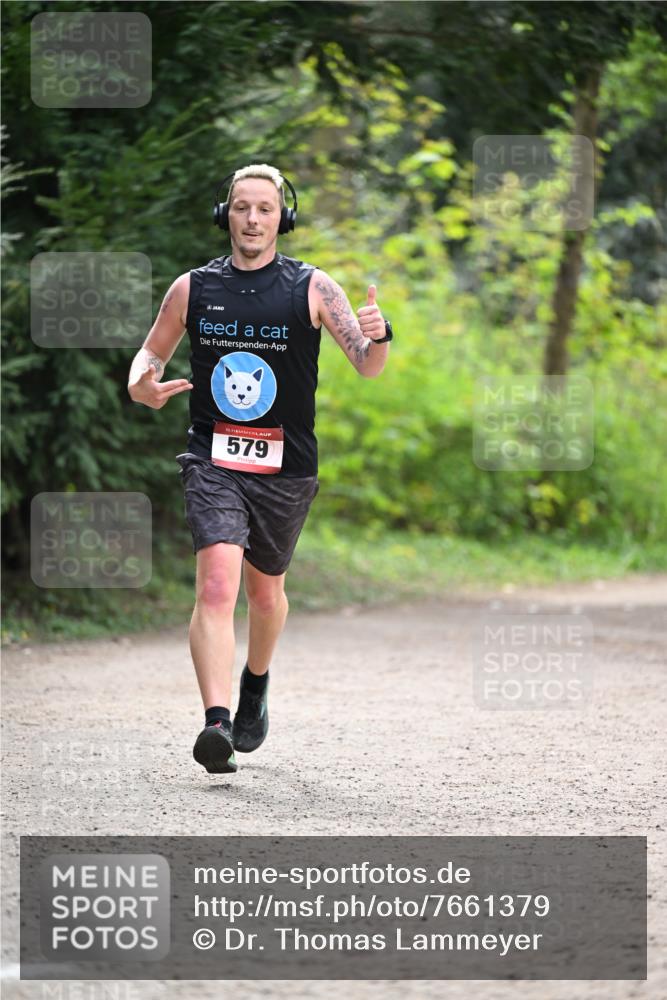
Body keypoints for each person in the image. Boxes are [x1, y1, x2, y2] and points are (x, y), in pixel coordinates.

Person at [127, 163, 392, 775]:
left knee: (265, 593)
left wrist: (379, 336)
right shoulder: (192, 289)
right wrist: (143, 384)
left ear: (282, 218)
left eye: (265, 209)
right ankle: (216, 723)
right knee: (218, 585)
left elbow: (369, 365)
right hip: (212, 456)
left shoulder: (314, 288)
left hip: (286, 466)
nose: (252, 219)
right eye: (242, 207)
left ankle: (255, 682)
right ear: (227, 215)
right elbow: (148, 358)